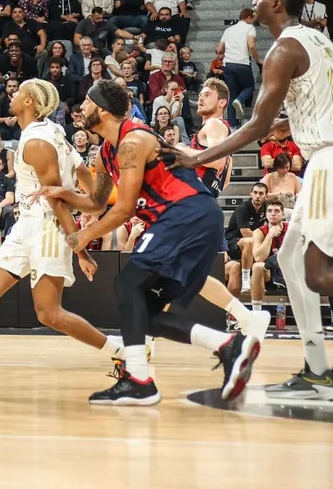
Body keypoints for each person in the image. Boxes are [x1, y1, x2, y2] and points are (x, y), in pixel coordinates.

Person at [172, 0, 333, 401]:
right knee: (288, 258)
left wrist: (196, 158)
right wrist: (294, 123)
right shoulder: (321, 41)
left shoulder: (283, 49)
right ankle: (318, 371)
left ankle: (320, 371)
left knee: (317, 274)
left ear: (276, 4)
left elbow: (256, 125)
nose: (254, 0)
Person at [40, 80, 260, 406]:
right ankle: (228, 346)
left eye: (87, 101)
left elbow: (125, 208)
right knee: (144, 311)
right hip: (185, 219)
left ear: (102, 110)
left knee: (127, 284)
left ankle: (139, 380)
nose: (80, 107)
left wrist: (84, 236)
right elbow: (98, 203)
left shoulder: (133, 140)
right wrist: (65, 194)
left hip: (187, 213)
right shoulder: (105, 152)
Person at [0, 80, 126, 395]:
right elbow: (84, 175)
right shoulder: (53, 132)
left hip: (47, 228)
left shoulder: (38, 143)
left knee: (49, 313)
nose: (11, 96)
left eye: (17, 93)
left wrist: (80, 247)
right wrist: (91, 203)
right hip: (27, 224)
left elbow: (57, 201)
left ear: (29, 102)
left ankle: (122, 351)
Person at [185, 78, 271, 338]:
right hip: (204, 204)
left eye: (207, 94)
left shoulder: (214, 125)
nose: (200, 98)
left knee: (166, 267)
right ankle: (245, 317)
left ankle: (143, 334)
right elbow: (225, 180)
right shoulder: (224, 133)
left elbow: (216, 161)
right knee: (193, 274)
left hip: (196, 207)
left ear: (222, 102)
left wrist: (179, 151)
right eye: (200, 94)